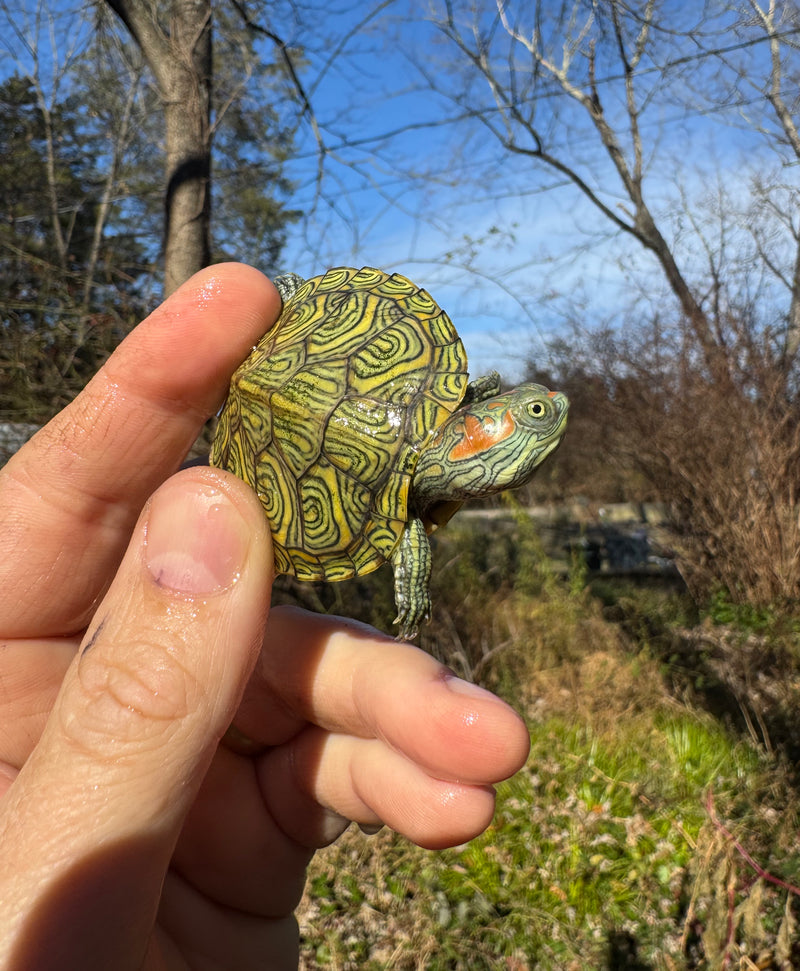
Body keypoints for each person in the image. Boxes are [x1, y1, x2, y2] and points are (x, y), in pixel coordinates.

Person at [0, 263, 531, 969]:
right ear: (481, 419)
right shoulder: (424, 469)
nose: (539, 411)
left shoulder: (411, 508)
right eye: (527, 414)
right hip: (308, 384)